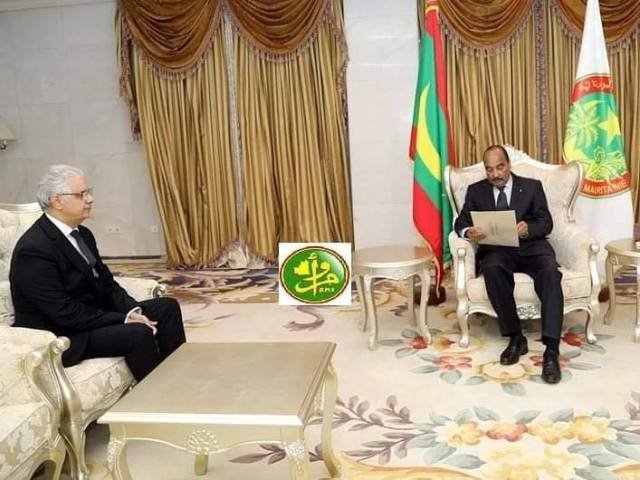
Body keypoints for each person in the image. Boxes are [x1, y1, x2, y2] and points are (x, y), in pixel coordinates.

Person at [10, 165, 186, 382]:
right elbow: (62, 312)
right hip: (61, 334)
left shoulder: (82, 234)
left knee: (167, 308)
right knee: (137, 332)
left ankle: (177, 380)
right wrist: (123, 319)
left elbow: (106, 283)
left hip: (88, 317)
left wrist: (131, 311)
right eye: (81, 194)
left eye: (88, 192)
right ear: (57, 201)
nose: (90, 199)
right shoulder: (34, 249)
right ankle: (156, 395)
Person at [454, 145, 562, 384]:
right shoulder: (476, 191)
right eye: (489, 169)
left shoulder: (532, 187)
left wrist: (528, 228)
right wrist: (469, 231)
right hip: (498, 249)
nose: (495, 174)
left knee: (551, 273)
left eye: (500, 167)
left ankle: (552, 350)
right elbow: (460, 222)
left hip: (532, 247)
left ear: (508, 165)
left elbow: (546, 222)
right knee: (492, 268)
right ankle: (516, 337)